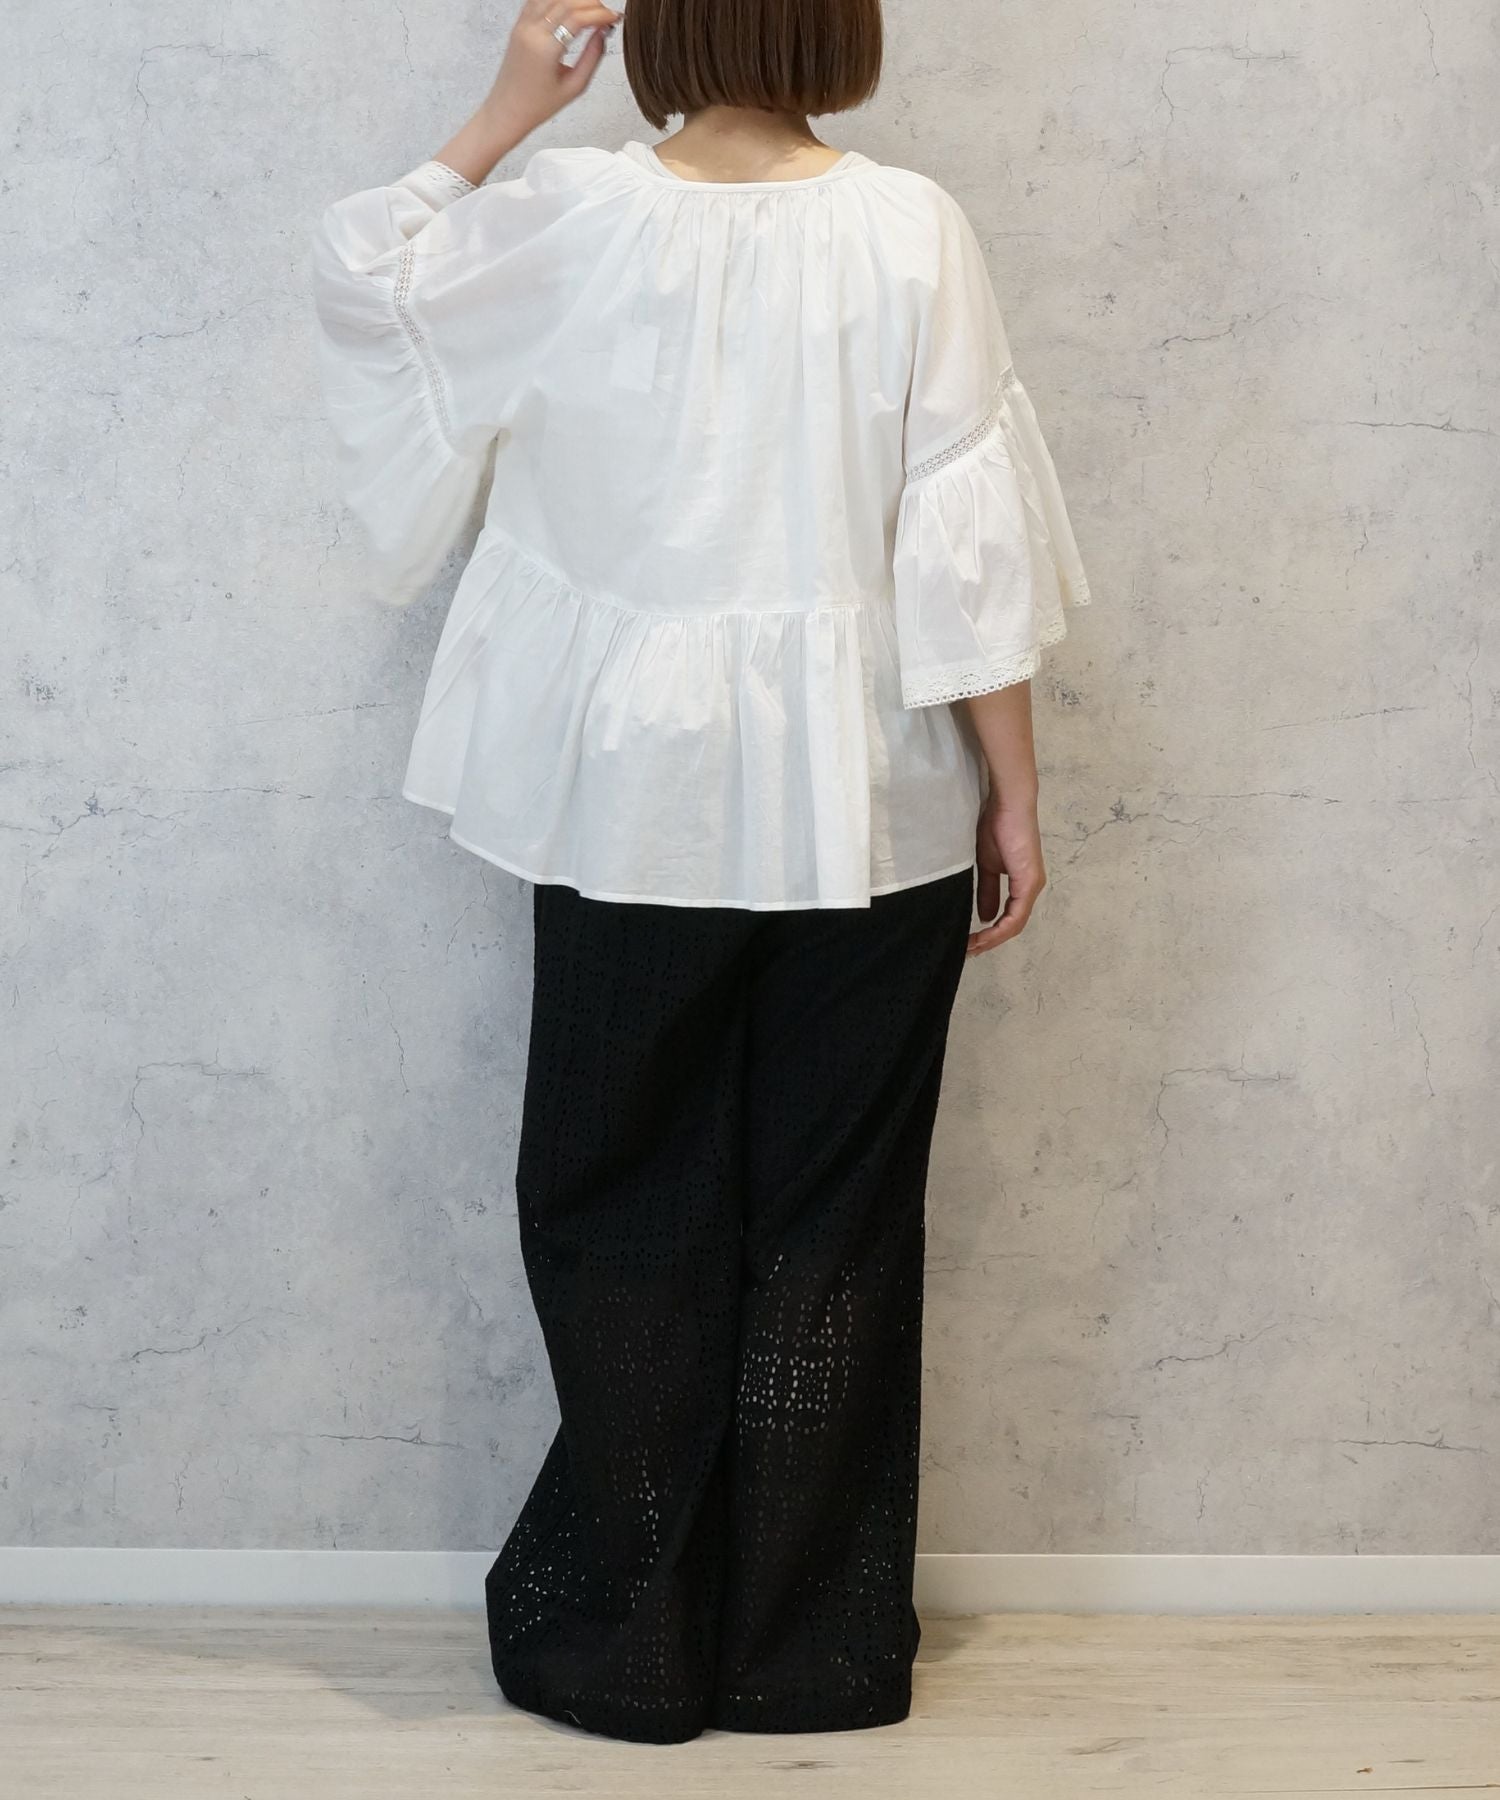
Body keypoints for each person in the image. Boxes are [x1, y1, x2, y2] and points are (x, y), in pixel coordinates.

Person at [309, 0, 1092, 1747]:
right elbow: (959, 537)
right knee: (835, 1223)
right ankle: (808, 1648)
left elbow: (370, 284)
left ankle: (629, 1641)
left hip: (630, 806)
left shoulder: (569, 213)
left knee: (618, 1202)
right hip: (875, 801)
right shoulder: (912, 228)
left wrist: (505, 108)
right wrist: (1015, 794)